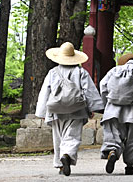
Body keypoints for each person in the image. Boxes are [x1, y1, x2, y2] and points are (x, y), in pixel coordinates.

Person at [35, 42, 104, 176]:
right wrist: (92, 108)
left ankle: (61, 165)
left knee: (58, 138)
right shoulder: (81, 72)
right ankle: (67, 155)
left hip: (55, 110)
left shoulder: (52, 73)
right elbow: (88, 91)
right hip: (76, 110)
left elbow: (45, 92)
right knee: (72, 136)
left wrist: (42, 112)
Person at [99, 53, 133, 175]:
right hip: (132, 110)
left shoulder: (114, 70)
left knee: (113, 134)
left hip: (112, 109)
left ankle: (112, 151)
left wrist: (105, 103)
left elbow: (103, 86)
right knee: (132, 139)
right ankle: (130, 166)